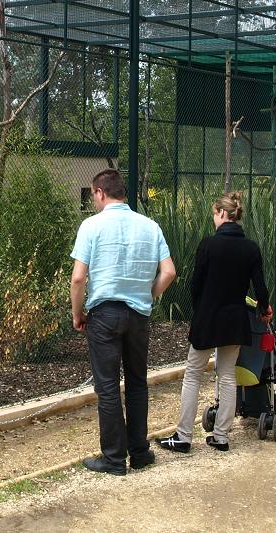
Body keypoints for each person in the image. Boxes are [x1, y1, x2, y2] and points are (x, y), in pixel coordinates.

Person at [70, 169, 176, 475]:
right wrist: (149, 296)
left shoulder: (91, 226)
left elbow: (78, 278)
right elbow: (169, 272)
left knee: (107, 387)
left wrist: (78, 314)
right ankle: (139, 452)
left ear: (101, 192)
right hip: (138, 314)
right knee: (137, 383)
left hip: (103, 314)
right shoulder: (150, 226)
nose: (93, 201)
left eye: (92, 195)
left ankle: (114, 459)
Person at [156, 191, 270, 454]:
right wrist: (264, 308)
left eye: (214, 215)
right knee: (228, 375)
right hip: (235, 320)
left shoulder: (208, 245)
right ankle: (221, 436)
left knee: (193, 374)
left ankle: (184, 436)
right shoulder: (251, 248)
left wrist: (200, 310)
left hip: (208, 319)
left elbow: (196, 286)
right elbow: (260, 288)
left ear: (221, 213)